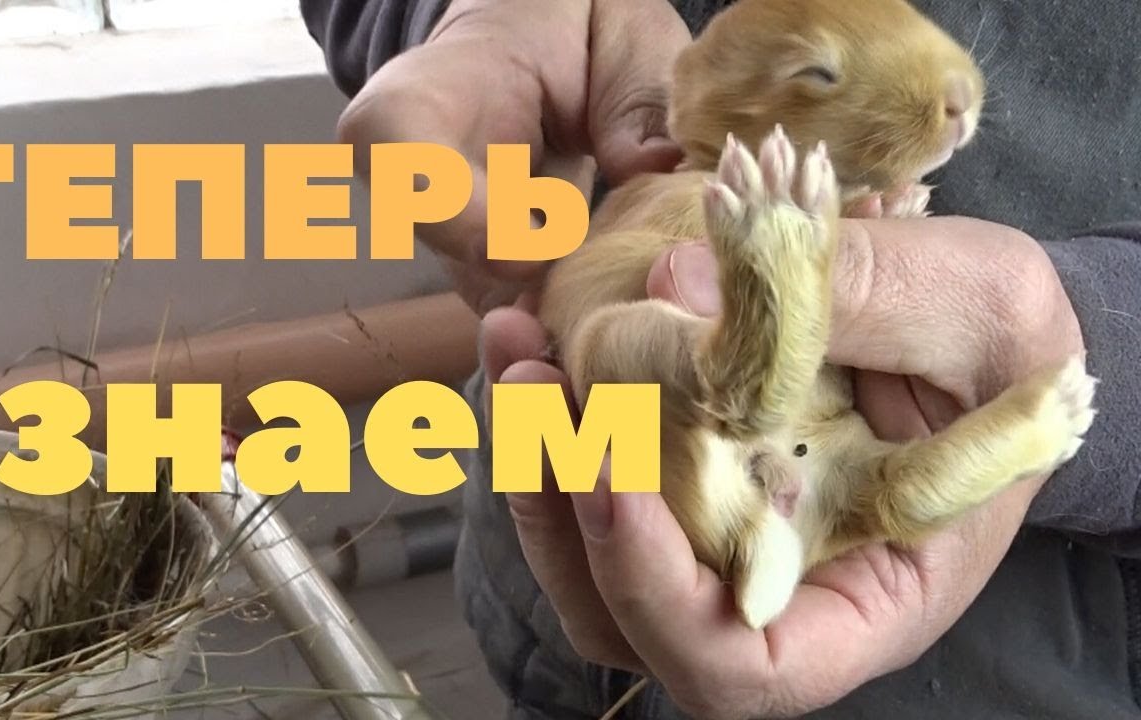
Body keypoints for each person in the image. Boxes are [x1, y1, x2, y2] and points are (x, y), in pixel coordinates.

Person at [300, 1, 1141, 717]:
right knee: (650, 366)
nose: (954, 96)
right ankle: (955, 419)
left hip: (1041, 663)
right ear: (699, 90)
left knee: (870, 485)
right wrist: (471, 14)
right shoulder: (672, 179)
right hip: (596, 550)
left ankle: (817, 385)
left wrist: (1106, 341)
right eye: (821, 74)